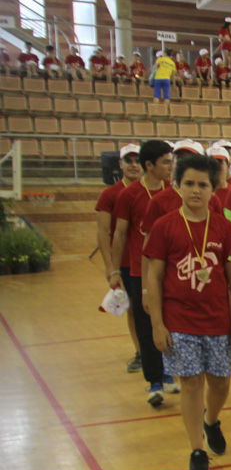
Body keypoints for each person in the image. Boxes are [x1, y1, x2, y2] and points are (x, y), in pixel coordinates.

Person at [143, 153, 231, 470]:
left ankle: (211, 420)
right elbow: (153, 278)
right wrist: (157, 323)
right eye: (189, 184)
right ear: (177, 186)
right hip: (179, 321)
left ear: (214, 189)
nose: (196, 191)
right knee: (192, 384)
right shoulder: (165, 226)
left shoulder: (224, 228)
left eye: (203, 185)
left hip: (218, 321)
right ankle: (197, 452)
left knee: (221, 383)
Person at [108, 141, 180, 406]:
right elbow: (119, 233)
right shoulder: (130, 195)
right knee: (147, 324)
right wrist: (115, 270)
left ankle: (170, 373)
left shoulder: (175, 194)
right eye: (165, 161)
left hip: (170, 271)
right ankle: (155, 381)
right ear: (149, 165)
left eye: (171, 161)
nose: (171, 166)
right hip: (140, 271)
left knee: (170, 323)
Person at [97, 143, 144, 373]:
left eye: (137, 161)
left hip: (149, 261)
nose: (133, 165)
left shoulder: (158, 192)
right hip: (125, 263)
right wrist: (110, 267)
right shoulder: (110, 194)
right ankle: (139, 352)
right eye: (129, 161)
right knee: (133, 308)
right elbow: (104, 232)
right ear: (120, 164)